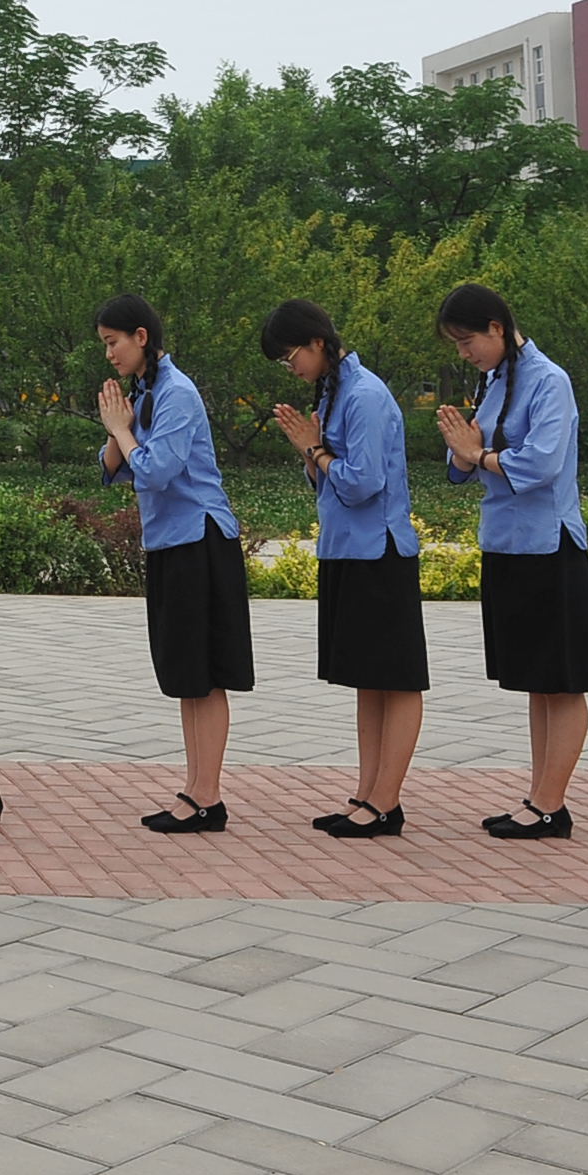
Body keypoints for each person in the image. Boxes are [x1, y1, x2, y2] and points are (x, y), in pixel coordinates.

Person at [262, 299, 426, 839]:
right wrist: (312, 453)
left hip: (379, 553)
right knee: (366, 680)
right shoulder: (335, 392)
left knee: (395, 680)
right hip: (346, 550)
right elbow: (329, 478)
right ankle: (367, 793)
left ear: (318, 342)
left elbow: (362, 483)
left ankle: (386, 801)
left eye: (291, 356)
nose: (292, 368)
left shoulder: (365, 395)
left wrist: (315, 450)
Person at [436, 284, 588, 840]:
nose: (464, 354)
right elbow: (466, 457)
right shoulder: (495, 379)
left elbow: (542, 464)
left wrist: (477, 454)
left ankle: (552, 805)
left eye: (468, 341)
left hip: (549, 543)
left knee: (562, 680)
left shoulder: (550, 381)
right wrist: (466, 453)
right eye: (457, 346)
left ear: (497, 328)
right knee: (535, 680)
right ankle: (538, 797)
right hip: (506, 541)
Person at [95, 293, 248, 834]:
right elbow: (114, 467)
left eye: (113, 342)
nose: (109, 354)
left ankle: (208, 796)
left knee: (206, 674)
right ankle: (195, 789)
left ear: (141, 337)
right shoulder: (144, 392)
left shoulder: (177, 393)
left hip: (199, 542)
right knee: (186, 674)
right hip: (169, 543)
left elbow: (156, 470)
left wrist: (122, 429)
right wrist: (116, 426)